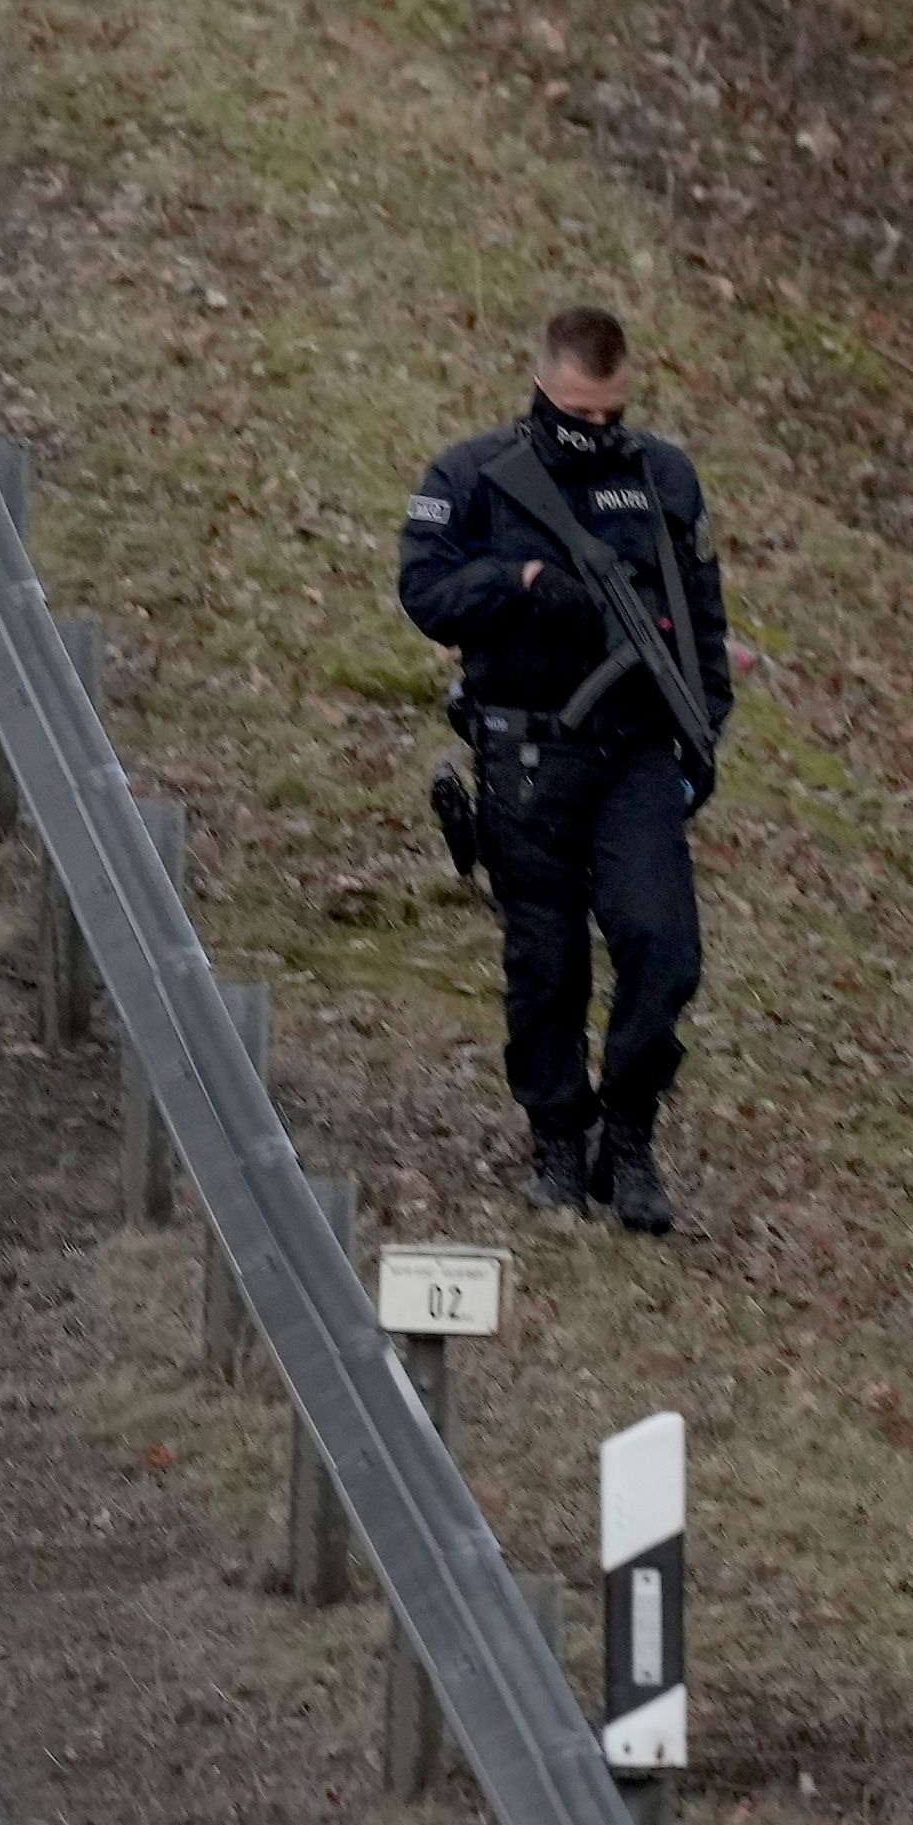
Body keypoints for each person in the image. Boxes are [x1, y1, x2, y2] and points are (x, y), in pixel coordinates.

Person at [401, 307, 730, 1236]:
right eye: (580, 412)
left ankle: (627, 1133)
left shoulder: (661, 477)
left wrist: (701, 743)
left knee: (663, 949)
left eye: (612, 413)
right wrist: (524, 583)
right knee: (544, 965)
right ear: (542, 385)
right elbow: (424, 591)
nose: (596, 431)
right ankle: (557, 1137)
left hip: (634, 752)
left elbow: (702, 620)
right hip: (525, 752)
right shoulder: (471, 476)